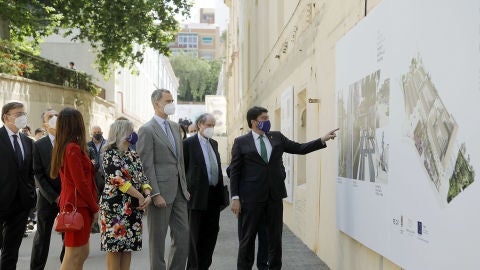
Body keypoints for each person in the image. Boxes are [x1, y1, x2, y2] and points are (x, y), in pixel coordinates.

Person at [230, 106, 338, 270]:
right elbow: (235, 171)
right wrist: (235, 197)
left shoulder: (277, 137)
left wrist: (321, 139)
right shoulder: (241, 142)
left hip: (274, 197)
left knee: (275, 240)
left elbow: (299, 148)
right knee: (247, 239)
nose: (268, 121)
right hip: (250, 200)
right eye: (264, 118)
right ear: (253, 122)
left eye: (268, 117)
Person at [137, 89, 190, 270]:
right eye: (168, 101)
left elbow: (179, 161)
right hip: (160, 194)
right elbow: (146, 165)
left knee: (183, 237)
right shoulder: (146, 130)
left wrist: (185, 186)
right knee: (158, 242)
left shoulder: (175, 127)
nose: (171, 104)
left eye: (172, 100)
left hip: (180, 193)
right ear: (156, 104)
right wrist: (155, 193)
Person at [50, 107, 99, 270]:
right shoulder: (72, 148)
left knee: (82, 252)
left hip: (78, 205)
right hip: (78, 206)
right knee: (73, 254)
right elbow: (81, 183)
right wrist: (94, 207)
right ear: (75, 124)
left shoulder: (68, 146)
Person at [100, 118, 152, 270]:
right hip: (114, 209)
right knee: (115, 249)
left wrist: (147, 194)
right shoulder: (110, 154)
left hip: (132, 209)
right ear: (121, 133)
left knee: (128, 247)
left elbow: (142, 177)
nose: (133, 134)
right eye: (130, 131)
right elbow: (119, 181)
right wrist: (140, 196)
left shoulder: (133, 154)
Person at [183, 113, 225, 270]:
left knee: (211, 235)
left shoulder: (214, 143)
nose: (211, 128)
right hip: (196, 198)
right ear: (199, 125)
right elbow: (182, 170)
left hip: (214, 196)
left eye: (213, 125)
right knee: (195, 238)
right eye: (208, 125)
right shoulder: (188, 144)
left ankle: (204, 266)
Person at [0, 101, 36, 269]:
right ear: (6, 117)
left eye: (24, 114)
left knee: (11, 250)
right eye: (18, 114)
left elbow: (29, 173)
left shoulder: (27, 142)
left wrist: (30, 197)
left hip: (20, 205)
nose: (23, 117)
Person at [30, 109, 65, 269]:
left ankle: (66, 264)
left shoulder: (69, 142)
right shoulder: (38, 145)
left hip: (68, 197)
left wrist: (65, 195)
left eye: (57, 115)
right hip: (47, 198)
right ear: (44, 124)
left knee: (70, 236)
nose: (55, 118)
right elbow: (37, 174)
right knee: (42, 237)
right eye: (50, 117)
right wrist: (54, 197)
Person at [88, 126, 106, 196]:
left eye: (98, 132)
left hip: (105, 175)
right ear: (91, 134)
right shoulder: (87, 145)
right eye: (95, 132)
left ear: (102, 133)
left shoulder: (107, 144)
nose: (97, 134)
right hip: (94, 176)